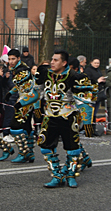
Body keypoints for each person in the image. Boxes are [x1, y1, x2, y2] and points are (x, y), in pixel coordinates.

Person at [35, 50, 95, 188]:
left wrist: (87, 122)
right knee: (45, 147)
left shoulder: (75, 76)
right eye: (52, 59)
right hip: (50, 116)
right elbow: (37, 91)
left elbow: (84, 101)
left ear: (64, 62)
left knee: (72, 148)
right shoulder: (45, 73)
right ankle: (57, 175)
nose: (52, 62)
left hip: (68, 116)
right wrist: (29, 105)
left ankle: (70, 174)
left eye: (56, 60)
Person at [0, 49, 37, 164]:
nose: (10, 61)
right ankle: (30, 153)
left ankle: (23, 153)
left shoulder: (22, 70)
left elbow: (25, 87)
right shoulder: (17, 69)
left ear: (18, 58)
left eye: (13, 59)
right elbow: (18, 85)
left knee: (15, 127)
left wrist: (20, 102)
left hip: (26, 100)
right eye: (9, 59)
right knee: (26, 128)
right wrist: (10, 92)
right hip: (25, 99)